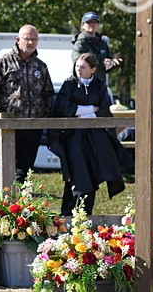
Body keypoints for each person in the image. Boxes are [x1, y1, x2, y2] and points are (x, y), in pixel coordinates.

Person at [49, 53, 129, 214]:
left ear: (92, 69)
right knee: (75, 173)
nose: (78, 69)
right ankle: (66, 215)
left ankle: (86, 215)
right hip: (73, 138)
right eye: (77, 66)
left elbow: (104, 109)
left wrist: (83, 113)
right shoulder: (69, 84)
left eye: (83, 67)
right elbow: (63, 107)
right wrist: (91, 109)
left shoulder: (100, 85)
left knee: (92, 173)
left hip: (94, 138)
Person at [0, 25, 54, 184]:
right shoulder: (4, 62)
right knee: (3, 168)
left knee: (25, 169)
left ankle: (21, 206)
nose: (31, 42)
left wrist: (44, 114)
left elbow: (48, 93)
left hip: (33, 125)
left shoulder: (40, 66)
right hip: (10, 125)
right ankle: (0, 206)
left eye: (34, 39)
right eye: (27, 38)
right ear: (18, 40)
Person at [71, 12, 121, 90]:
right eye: (89, 22)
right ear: (82, 26)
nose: (92, 24)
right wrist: (102, 64)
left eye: (94, 22)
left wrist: (112, 62)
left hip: (100, 87)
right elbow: (80, 64)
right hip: (83, 87)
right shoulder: (80, 43)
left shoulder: (102, 43)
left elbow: (106, 67)